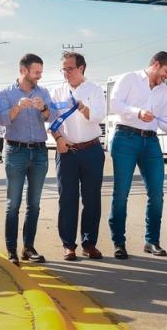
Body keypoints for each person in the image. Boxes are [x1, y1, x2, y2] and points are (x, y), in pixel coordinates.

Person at [108, 51, 167, 259]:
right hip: (125, 138)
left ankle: (152, 241)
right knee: (121, 193)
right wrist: (137, 113)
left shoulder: (164, 91)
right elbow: (115, 103)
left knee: (157, 193)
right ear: (156, 65)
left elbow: (162, 119)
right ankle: (119, 242)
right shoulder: (129, 78)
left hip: (151, 141)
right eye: (166, 71)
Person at [0, 53, 56, 265]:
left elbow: (53, 117)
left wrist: (44, 108)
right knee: (13, 204)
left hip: (40, 152)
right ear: (23, 71)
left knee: (35, 204)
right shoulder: (6, 93)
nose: (39, 76)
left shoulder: (44, 92)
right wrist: (17, 108)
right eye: (36, 72)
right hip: (16, 151)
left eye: (41, 71)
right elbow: (2, 119)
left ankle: (28, 248)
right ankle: (11, 250)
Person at [50, 51, 106, 261]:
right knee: (67, 199)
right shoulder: (57, 91)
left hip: (91, 150)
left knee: (92, 199)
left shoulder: (95, 89)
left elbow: (99, 116)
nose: (66, 72)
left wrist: (83, 108)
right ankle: (68, 245)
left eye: (70, 68)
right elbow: (50, 120)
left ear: (81, 68)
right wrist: (58, 139)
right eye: (63, 69)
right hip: (67, 152)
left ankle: (89, 243)